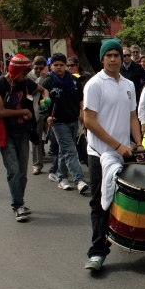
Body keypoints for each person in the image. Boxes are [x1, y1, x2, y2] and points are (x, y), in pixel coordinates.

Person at [83, 39, 143, 271]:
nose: (113, 59)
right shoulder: (94, 85)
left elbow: (132, 117)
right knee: (100, 202)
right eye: (108, 55)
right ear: (102, 59)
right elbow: (89, 121)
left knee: (123, 198)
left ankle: (121, 235)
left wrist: (137, 143)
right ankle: (97, 251)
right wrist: (117, 146)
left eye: (116, 55)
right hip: (100, 153)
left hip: (124, 151)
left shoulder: (128, 85)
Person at [0, 54, 49, 221]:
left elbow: (43, 90)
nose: (25, 76)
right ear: (13, 71)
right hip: (5, 134)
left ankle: (19, 202)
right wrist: (24, 111)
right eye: (23, 73)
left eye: (27, 72)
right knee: (13, 170)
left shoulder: (25, 82)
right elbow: (1, 112)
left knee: (22, 172)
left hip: (22, 132)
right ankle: (17, 205)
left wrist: (46, 100)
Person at [42, 53, 89, 193]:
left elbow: (81, 100)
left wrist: (83, 115)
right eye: (55, 65)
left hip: (74, 120)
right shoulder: (48, 82)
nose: (59, 67)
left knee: (64, 150)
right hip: (59, 122)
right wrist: (46, 117)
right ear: (51, 66)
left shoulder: (74, 81)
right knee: (70, 151)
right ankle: (79, 179)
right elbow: (43, 104)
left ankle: (62, 178)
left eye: (61, 65)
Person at [28, 57, 49, 175]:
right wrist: (41, 78)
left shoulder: (49, 75)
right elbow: (32, 91)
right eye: (36, 68)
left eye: (41, 68)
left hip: (48, 110)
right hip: (35, 111)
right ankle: (37, 164)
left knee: (55, 136)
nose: (38, 70)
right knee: (36, 137)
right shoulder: (29, 76)